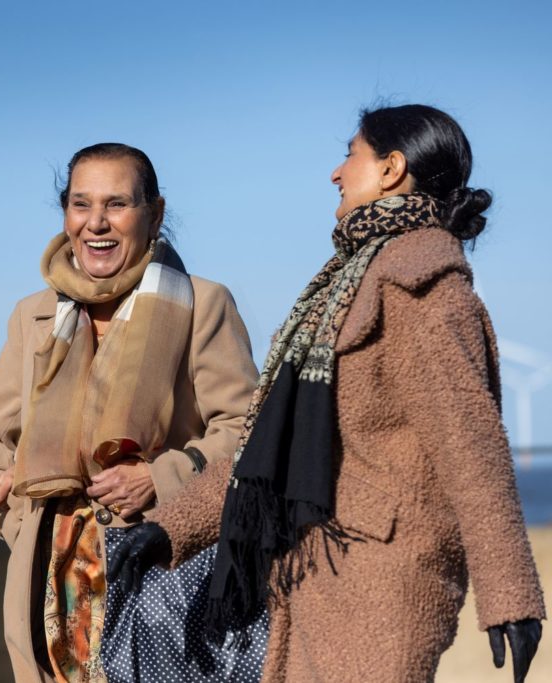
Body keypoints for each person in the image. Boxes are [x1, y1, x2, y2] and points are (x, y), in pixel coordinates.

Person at [110, 104, 546, 682]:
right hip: (314, 570)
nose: (336, 173)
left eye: (351, 154)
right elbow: (271, 451)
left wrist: (510, 593)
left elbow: (473, 446)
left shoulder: (423, 289)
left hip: (387, 580)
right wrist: (169, 529)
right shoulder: (345, 285)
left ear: (391, 169)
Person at [0, 143, 265, 683]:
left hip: (159, 566)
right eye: (81, 205)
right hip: (48, 580)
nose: (96, 223)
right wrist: (26, 524)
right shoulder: (31, 315)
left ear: (155, 212)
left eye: (117, 204)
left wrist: (159, 478)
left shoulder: (204, 303)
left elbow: (247, 431)